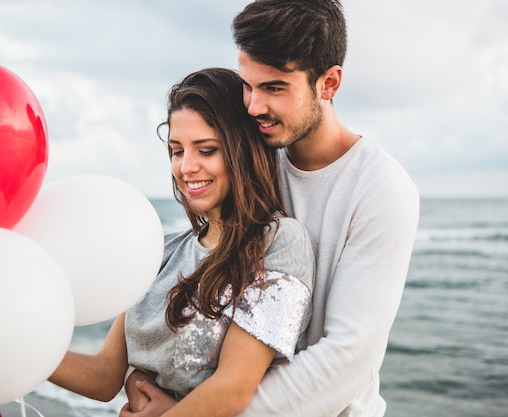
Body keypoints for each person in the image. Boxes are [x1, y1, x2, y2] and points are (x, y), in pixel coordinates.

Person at [123, 1, 420, 416]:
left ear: (329, 83)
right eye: (248, 84)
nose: (253, 106)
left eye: (274, 87)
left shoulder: (381, 189)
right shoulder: (252, 161)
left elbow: (348, 357)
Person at [49, 67, 315, 417]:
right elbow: (105, 376)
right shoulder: (159, 252)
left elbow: (233, 389)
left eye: (205, 150)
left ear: (244, 150)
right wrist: (19, 355)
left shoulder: (277, 242)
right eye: (177, 151)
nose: (186, 167)